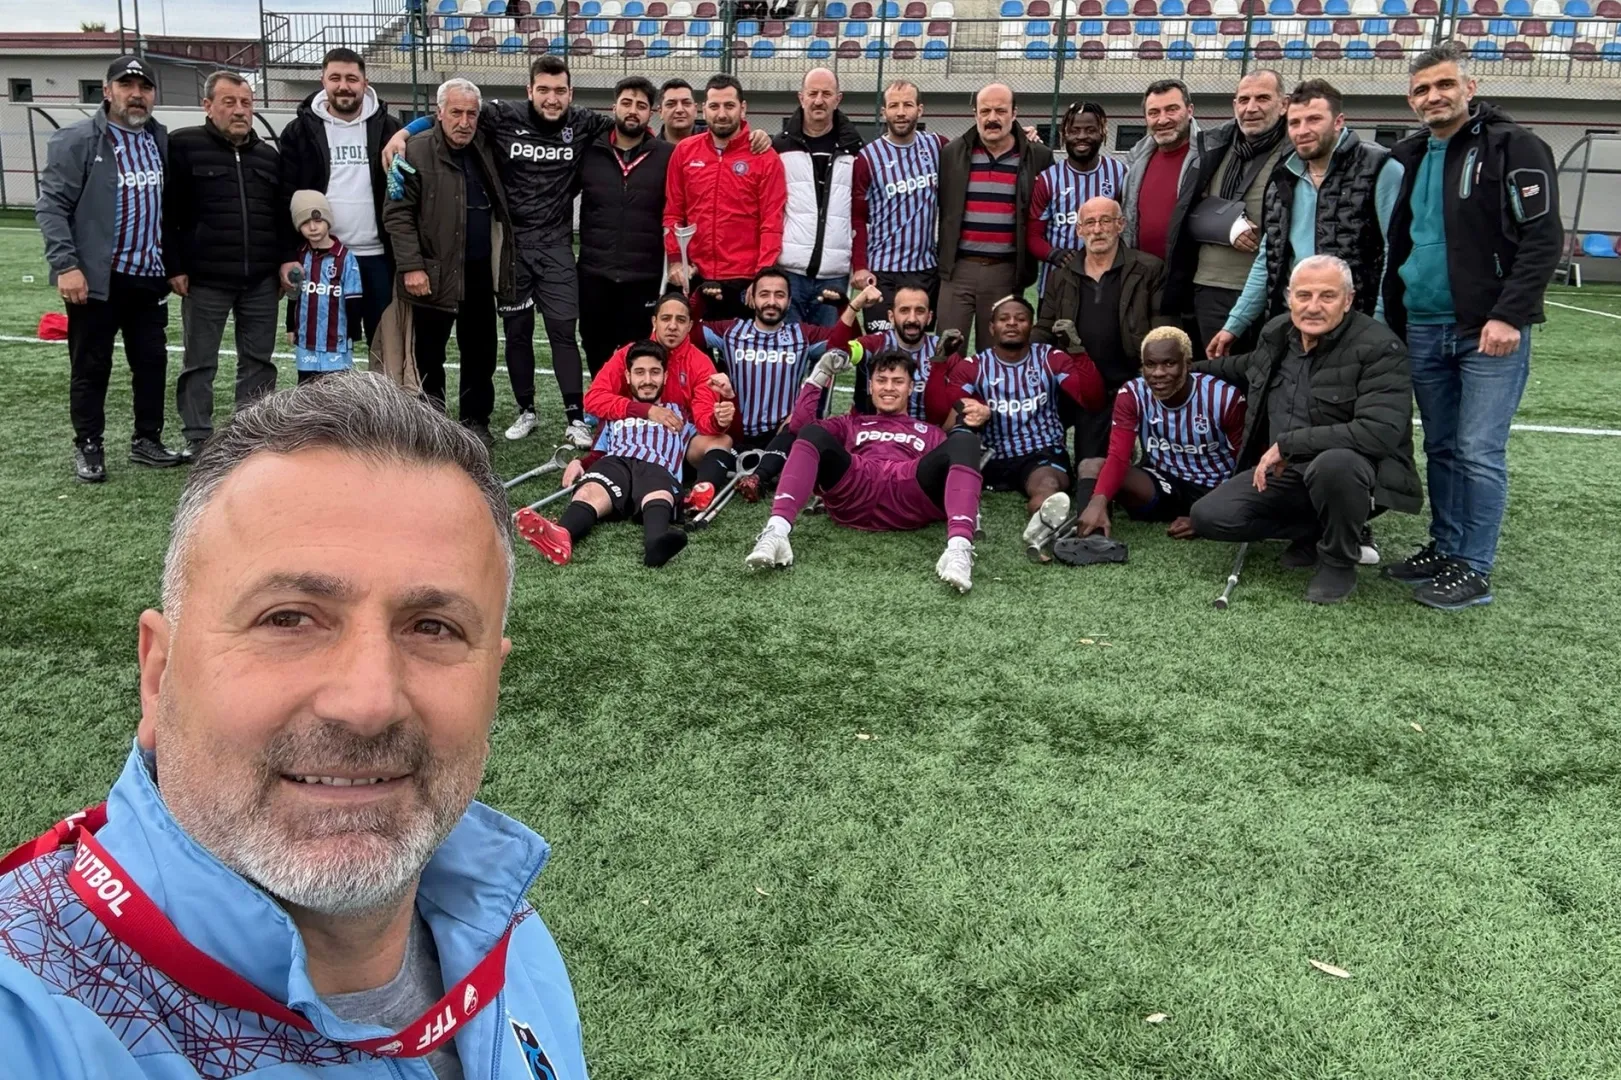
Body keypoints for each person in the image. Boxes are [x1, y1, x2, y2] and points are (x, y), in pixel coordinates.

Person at [0, 373, 588, 1079]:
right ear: (158, 676)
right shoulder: (25, 1010)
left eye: (433, 627)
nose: (368, 701)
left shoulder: (506, 930)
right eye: (287, 619)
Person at [1380, 41, 1562, 611]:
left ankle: (1474, 567)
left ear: (1469, 87)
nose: (1433, 96)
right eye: (1422, 90)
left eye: (1444, 85)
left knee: (1478, 449)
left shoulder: (1515, 145)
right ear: (1411, 101)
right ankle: (1445, 546)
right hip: (1422, 324)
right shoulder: (1407, 155)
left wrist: (1509, 313)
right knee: (1440, 446)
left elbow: (1543, 238)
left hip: (1487, 330)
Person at [386, 58, 613, 448]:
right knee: (456, 346)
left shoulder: (569, 125)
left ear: (571, 94)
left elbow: (628, 127)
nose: (464, 121)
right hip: (471, 258)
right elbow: (399, 210)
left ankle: (514, 419)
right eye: (544, 90)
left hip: (518, 256)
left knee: (509, 343)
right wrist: (403, 133)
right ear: (529, 91)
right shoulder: (450, 137)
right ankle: (458, 421)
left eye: (560, 90)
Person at [1190, 255, 1422, 604]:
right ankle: (1316, 531)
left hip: (1357, 476)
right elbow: (1246, 366)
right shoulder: (1278, 332)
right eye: (1304, 295)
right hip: (1289, 473)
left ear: (1348, 300)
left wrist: (1289, 445)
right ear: (1289, 298)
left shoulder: (1380, 348)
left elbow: (1379, 432)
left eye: (1327, 296)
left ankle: (1339, 560)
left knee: (1335, 464)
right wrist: (1183, 371)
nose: (1313, 307)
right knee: (1210, 516)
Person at [38, 55, 182, 483]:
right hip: (97, 278)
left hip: (148, 275)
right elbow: (52, 207)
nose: (136, 95)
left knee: (152, 363)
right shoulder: (78, 140)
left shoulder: (159, 139)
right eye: (126, 85)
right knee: (91, 365)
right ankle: (88, 445)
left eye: (144, 87)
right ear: (107, 91)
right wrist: (66, 265)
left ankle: (147, 440)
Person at [745, 348, 985, 593]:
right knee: (812, 432)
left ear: (911, 388)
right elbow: (799, 426)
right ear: (870, 386)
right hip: (855, 486)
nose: (889, 388)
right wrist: (819, 376)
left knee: (964, 441)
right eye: (881, 380)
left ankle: (958, 549)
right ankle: (776, 532)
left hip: (908, 490)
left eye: (898, 381)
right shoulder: (851, 422)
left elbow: (951, 472)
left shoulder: (930, 431)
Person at [1209, 79, 1405, 359]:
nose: (1302, 131)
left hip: (1356, 327)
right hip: (1296, 324)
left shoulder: (1381, 168)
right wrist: (1235, 323)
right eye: (1295, 122)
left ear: (1338, 121)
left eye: (1314, 120)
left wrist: (1378, 326)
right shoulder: (1283, 176)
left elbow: (1395, 253)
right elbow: (1269, 256)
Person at [166, 71, 298, 458]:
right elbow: (168, 213)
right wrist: (175, 265)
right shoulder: (182, 146)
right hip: (204, 279)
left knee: (258, 361)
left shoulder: (268, 156)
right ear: (208, 106)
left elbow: (280, 217)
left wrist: (283, 261)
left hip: (260, 279)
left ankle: (250, 434)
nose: (240, 110)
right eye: (230, 102)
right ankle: (198, 436)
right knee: (199, 361)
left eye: (246, 103)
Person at [381, 78, 515, 447]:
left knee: (481, 353)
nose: (464, 121)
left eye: (471, 113)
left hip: (478, 271)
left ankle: (475, 422)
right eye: (456, 112)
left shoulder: (485, 145)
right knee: (428, 355)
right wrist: (411, 267)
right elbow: (397, 215)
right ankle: (431, 424)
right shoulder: (414, 151)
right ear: (439, 113)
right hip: (431, 272)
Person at [931, 295, 1106, 537]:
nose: (1012, 323)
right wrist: (940, 363)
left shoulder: (1050, 357)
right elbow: (941, 416)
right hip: (993, 457)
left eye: (1020, 319)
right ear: (992, 327)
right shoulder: (974, 366)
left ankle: (1041, 524)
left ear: (1031, 326)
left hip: (1041, 453)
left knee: (1048, 488)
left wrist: (1077, 352)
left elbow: (1093, 399)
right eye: (1004, 319)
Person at [689, 267, 869, 498]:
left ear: (789, 301)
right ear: (752, 298)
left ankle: (757, 478)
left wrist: (843, 306)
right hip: (735, 433)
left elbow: (849, 344)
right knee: (710, 445)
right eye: (764, 294)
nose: (772, 302)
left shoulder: (803, 335)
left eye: (779, 295)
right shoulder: (731, 330)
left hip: (782, 434)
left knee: (800, 428)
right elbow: (687, 331)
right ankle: (730, 482)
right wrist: (700, 299)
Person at [519, 341, 696, 568]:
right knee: (590, 489)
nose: (647, 380)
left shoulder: (680, 413)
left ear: (665, 376)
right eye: (639, 372)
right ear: (628, 376)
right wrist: (579, 463)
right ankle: (562, 536)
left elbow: (708, 440)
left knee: (658, 493)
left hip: (656, 465)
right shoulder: (615, 411)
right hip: (616, 462)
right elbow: (598, 452)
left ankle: (655, 544)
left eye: (655, 372)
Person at [1072, 326, 1244, 543]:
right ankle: (1091, 538)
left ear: (1187, 364)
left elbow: (1246, 464)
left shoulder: (1223, 398)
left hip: (1214, 489)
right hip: (1164, 484)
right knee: (1091, 466)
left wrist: (1207, 517)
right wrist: (1098, 501)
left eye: (1169, 363)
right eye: (1150, 364)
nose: (1158, 373)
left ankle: (1204, 514)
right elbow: (1118, 456)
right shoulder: (1132, 393)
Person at [277, 48, 402, 345]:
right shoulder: (299, 131)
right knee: (324, 347)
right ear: (323, 81)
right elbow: (285, 197)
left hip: (378, 257)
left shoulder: (390, 128)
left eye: (351, 78)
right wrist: (287, 255)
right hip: (322, 257)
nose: (343, 86)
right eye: (335, 78)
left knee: (386, 347)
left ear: (365, 83)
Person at [1032, 196, 1168, 462]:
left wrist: (1148, 375)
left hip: (1125, 383)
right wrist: (1018, 361)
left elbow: (1163, 331)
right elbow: (1045, 327)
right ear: (1079, 230)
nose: (1097, 230)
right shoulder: (1062, 275)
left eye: (1105, 221)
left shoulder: (1149, 269)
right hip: (1074, 381)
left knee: (1094, 464)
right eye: (1090, 223)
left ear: (1121, 225)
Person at [1169, 70, 1289, 355]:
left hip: (1273, 287)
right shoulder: (1214, 146)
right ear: (1234, 105)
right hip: (1211, 284)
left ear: (1284, 104)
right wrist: (1227, 227)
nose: (1251, 108)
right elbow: (1187, 212)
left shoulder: (1296, 151)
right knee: (1219, 371)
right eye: (1244, 100)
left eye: (1262, 98)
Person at [584, 292, 736, 503]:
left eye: (680, 320)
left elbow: (703, 422)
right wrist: (647, 411)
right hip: (630, 444)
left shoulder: (701, 363)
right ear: (654, 322)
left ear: (690, 326)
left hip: (677, 445)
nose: (672, 326)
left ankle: (702, 490)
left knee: (722, 441)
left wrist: (717, 421)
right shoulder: (629, 354)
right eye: (666, 318)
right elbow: (593, 399)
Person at [936, 84, 1054, 352]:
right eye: (985, 111)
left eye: (1000, 111)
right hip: (958, 270)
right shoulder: (952, 153)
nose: (992, 118)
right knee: (946, 351)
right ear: (975, 114)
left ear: (1014, 113)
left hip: (1006, 272)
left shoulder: (1038, 156)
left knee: (997, 354)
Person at [664, 74, 788, 322]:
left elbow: (771, 223)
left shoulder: (765, 157)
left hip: (744, 280)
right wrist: (676, 261)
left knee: (739, 348)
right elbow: (673, 213)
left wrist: (762, 276)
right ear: (704, 109)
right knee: (691, 345)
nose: (721, 114)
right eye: (714, 106)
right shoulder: (685, 151)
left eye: (729, 106)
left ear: (743, 108)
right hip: (696, 275)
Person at [577, 76, 671, 375]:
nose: (633, 111)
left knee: (639, 355)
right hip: (595, 274)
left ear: (651, 113)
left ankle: (633, 404)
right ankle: (602, 399)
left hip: (643, 277)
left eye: (641, 106)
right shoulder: (589, 151)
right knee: (596, 349)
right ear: (613, 107)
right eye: (626, 103)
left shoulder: (667, 155)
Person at [850, 80, 948, 333]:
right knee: (882, 345)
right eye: (894, 106)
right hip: (882, 272)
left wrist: (1019, 137)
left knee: (918, 344)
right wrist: (860, 266)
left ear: (920, 109)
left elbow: (978, 149)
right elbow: (857, 217)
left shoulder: (938, 146)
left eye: (908, 105)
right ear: (884, 112)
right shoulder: (868, 157)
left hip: (925, 269)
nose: (901, 112)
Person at [774, 68, 864, 326]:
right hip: (789, 272)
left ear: (838, 99)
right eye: (812, 93)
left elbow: (860, 215)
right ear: (801, 97)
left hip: (834, 274)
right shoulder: (779, 147)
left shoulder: (856, 151)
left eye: (826, 94)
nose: (818, 100)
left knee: (829, 349)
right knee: (788, 348)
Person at [1026, 102, 1129, 301]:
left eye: (1090, 130)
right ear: (1064, 135)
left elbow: (1129, 226)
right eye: (1074, 131)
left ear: (1103, 132)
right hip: (1057, 285)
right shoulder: (1048, 179)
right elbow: (1033, 236)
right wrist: (1054, 254)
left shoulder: (1120, 173)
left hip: (1108, 282)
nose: (1082, 136)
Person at [286, 191, 363, 383]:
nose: (312, 227)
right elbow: (293, 296)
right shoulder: (299, 257)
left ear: (328, 220)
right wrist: (290, 326)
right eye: (305, 223)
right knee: (306, 393)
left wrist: (353, 333)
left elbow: (354, 299)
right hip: (306, 343)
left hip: (337, 343)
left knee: (337, 394)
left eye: (318, 221)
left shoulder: (345, 258)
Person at [1122, 79, 1200, 265]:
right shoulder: (1135, 160)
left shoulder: (1209, 156)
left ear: (1190, 110)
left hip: (1191, 273)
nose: (1162, 120)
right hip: (1143, 272)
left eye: (1171, 109)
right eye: (1154, 112)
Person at [849, 283, 937, 419]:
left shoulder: (942, 349)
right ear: (891, 316)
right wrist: (854, 306)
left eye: (920, 311)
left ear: (929, 317)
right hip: (871, 428)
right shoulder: (873, 344)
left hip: (926, 430)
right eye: (904, 310)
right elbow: (835, 350)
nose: (912, 319)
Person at [658, 78, 699, 143]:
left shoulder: (713, 142)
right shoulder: (650, 148)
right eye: (670, 104)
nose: (679, 110)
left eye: (686, 103)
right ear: (660, 112)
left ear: (695, 110)